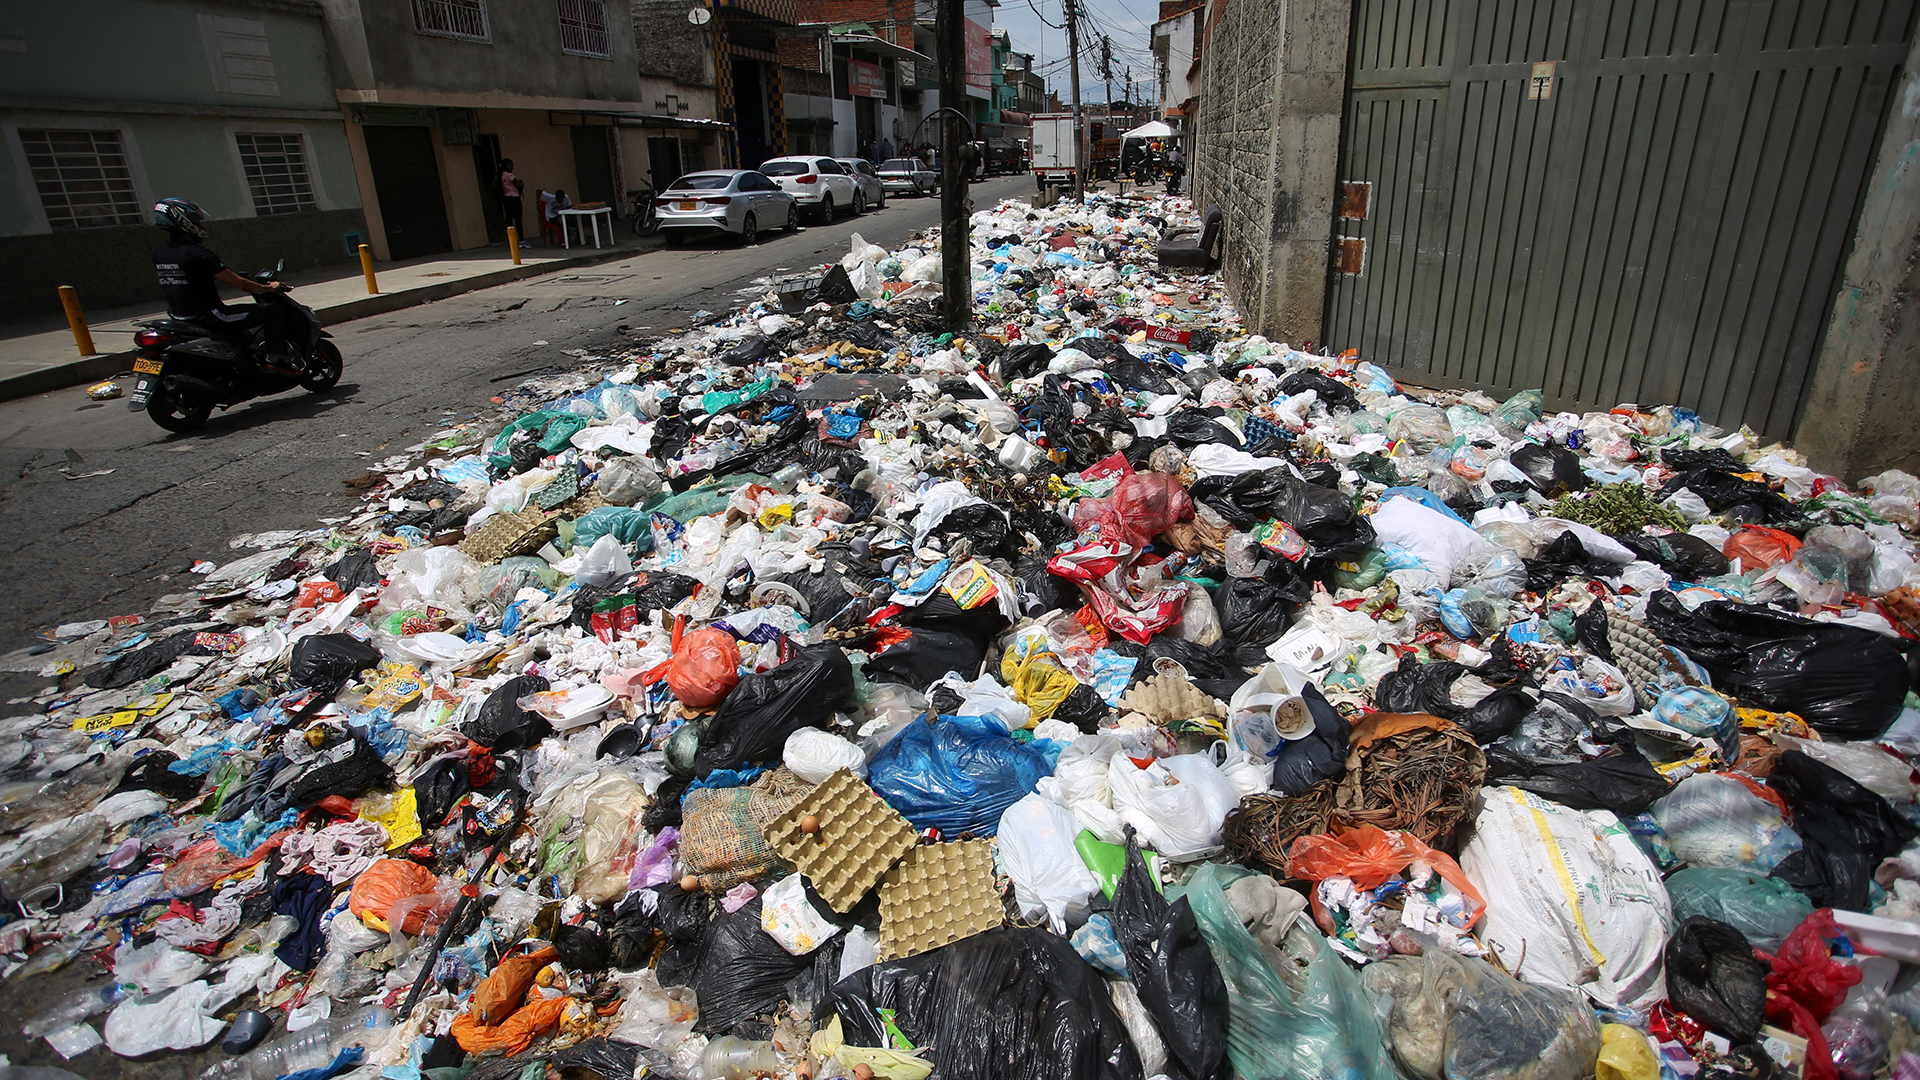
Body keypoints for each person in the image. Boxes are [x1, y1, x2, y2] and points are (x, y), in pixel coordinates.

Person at [150, 197, 300, 373]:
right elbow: (241, 284)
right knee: (274, 311)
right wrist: (270, 288)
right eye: (197, 221)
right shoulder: (200, 254)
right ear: (185, 222)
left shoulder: (160, 252)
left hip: (179, 316)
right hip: (212, 316)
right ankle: (275, 360)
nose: (200, 226)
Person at [498, 158, 527, 248]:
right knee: (518, 220)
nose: (512, 168)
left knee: (509, 220)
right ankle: (521, 240)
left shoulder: (499, 175)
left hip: (506, 198)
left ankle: (511, 240)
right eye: (511, 166)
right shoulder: (508, 175)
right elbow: (519, 184)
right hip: (514, 198)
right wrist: (521, 182)